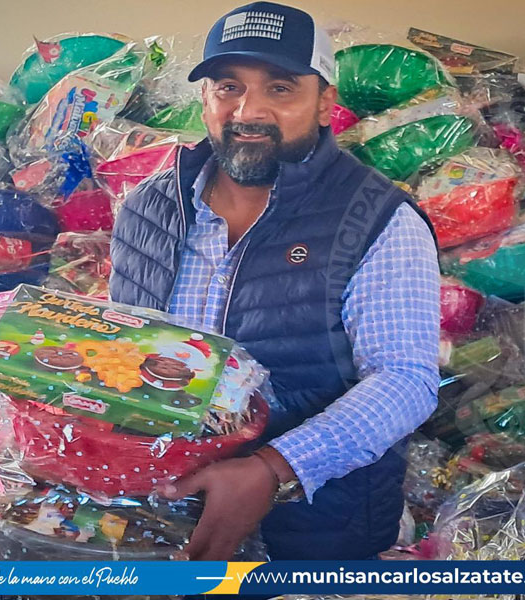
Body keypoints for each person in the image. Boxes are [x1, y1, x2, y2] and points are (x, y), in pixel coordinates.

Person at [109, 1, 440, 562]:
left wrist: (273, 469)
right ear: (206, 97)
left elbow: (405, 380)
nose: (249, 111)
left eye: (280, 88)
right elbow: (125, 346)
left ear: (326, 103)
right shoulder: (149, 206)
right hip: (157, 511)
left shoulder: (377, 218)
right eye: (228, 87)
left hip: (315, 531)